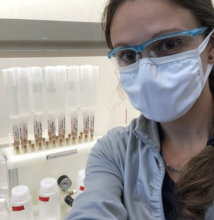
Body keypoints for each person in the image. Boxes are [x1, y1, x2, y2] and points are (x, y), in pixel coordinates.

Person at [66, 0, 214, 219]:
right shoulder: (115, 152)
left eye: (169, 44)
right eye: (128, 55)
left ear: (210, 48)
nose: (146, 74)